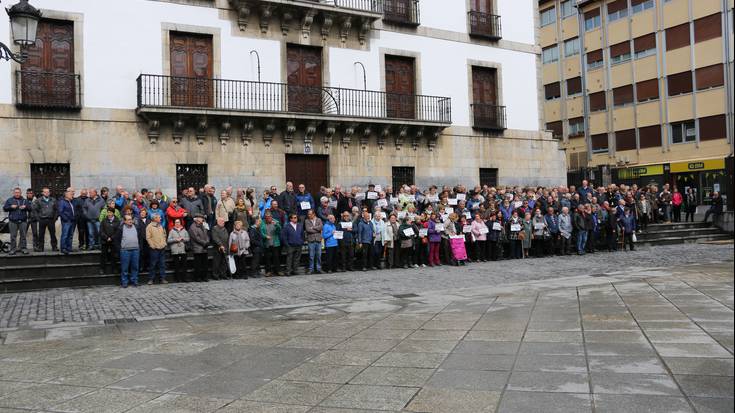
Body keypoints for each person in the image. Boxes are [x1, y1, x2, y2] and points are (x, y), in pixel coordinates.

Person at [3, 187, 31, 255]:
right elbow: (5, 208)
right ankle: (13, 249)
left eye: (18, 192)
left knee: (23, 236)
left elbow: (30, 208)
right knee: (13, 236)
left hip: (23, 221)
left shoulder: (25, 200)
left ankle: (23, 248)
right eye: (16, 192)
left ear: (21, 193)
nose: (17, 194)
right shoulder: (9, 200)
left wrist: (26, 207)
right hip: (13, 221)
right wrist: (11, 207)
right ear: (14, 193)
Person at [116, 215, 139, 288]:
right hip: (125, 251)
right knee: (124, 268)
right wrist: (120, 248)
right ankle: (124, 282)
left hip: (135, 250)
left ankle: (134, 281)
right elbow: (117, 240)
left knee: (135, 267)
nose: (130, 221)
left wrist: (139, 247)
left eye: (131, 219)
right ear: (125, 221)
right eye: (128, 220)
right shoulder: (121, 228)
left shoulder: (136, 227)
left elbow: (140, 238)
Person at [33, 187, 58, 252]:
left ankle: (54, 247)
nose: (47, 193)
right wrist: (38, 219)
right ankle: (41, 248)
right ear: (42, 193)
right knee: (41, 234)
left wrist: (55, 218)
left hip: (51, 220)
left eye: (48, 192)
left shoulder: (53, 200)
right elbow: (35, 210)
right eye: (45, 192)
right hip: (42, 220)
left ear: (49, 193)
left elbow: (56, 210)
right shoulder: (38, 200)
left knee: (53, 234)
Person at [146, 213, 167, 285]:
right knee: (153, 264)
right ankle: (151, 279)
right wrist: (152, 246)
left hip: (162, 248)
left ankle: (162, 278)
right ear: (154, 219)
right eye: (159, 217)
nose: (160, 219)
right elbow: (148, 237)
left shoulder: (161, 226)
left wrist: (164, 243)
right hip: (154, 249)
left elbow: (164, 235)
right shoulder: (149, 227)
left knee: (162, 264)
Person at [189, 213, 210, 282]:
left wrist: (207, 241)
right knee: (198, 264)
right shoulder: (193, 227)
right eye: (201, 218)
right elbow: (196, 238)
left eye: (202, 218)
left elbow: (206, 235)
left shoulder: (203, 226)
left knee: (205, 264)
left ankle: (204, 277)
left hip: (204, 248)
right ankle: (197, 277)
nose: (202, 219)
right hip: (197, 248)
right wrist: (204, 243)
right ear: (197, 219)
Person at [168, 218, 190, 282]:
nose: (177, 223)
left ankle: (184, 278)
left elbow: (188, 238)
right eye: (176, 222)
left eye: (178, 222)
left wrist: (183, 238)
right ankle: (177, 279)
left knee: (184, 265)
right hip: (175, 250)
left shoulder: (184, 230)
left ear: (180, 223)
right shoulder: (171, 231)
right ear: (174, 223)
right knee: (176, 265)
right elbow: (168, 240)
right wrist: (175, 240)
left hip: (183, 249)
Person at [99, 208, 120, 274]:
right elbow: (101, 231)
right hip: (105, 241)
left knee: (114, 255)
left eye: (110, 212)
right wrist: (106, 237)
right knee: (103, 255)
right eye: (108, 212)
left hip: (113, 241)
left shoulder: (117, 221)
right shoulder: (104, 220)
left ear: (113, 213)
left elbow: (118, 232)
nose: (109, 214)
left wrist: (112, 238)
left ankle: (114, 268)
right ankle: (102, 268)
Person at [304, 209, 323, 274]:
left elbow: (321, 227)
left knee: (319, 255)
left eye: (310, 214)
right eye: (308, 214)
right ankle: (311, 269)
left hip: (318, 240)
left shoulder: (319, 219)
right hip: (311, 240)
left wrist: (313, 227)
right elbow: (308, 229)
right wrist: (316, 229)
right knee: (311, 256)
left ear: (314, 214)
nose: (309, 215)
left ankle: (319, 269)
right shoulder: (307, 221)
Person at [58, 188, 76, 255]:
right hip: (66, 221)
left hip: (72, 221)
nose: (72, 195)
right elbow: (60, 211)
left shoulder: (71, 202)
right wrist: (66, 219)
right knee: (65, 235)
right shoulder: (62, 202)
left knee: (70, 235)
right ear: (66, 195)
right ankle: (63, 248)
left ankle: (69, 247)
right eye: (71, 194)